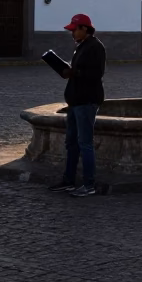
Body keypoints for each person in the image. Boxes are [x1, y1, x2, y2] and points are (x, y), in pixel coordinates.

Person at [48, 13, 106, 197]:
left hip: (86, 101)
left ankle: (89, 184)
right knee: (71, 142)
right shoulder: (81, 46)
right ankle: (69, 181)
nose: (72, 33)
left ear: (84, 29)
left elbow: (96, 74)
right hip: (75, 101)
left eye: (74, 30)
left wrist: (74, 73)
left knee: (85, 143)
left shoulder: (95, 47)